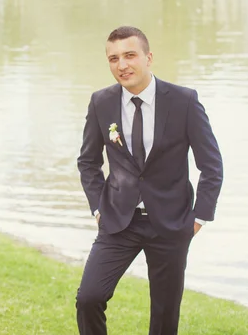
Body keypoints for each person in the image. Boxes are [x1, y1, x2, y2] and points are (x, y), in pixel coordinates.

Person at [75, 26, 223, 335]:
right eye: (113, 58)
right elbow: (88, 162)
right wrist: (98, 208)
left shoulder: (184, 101)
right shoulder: (101, 102)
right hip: (118, 222)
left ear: (148, 57)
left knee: (164, 316)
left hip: (171, 223)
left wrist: (199, 218)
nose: (122, 65)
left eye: (129, 55)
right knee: (88, 298)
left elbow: (211, 165)